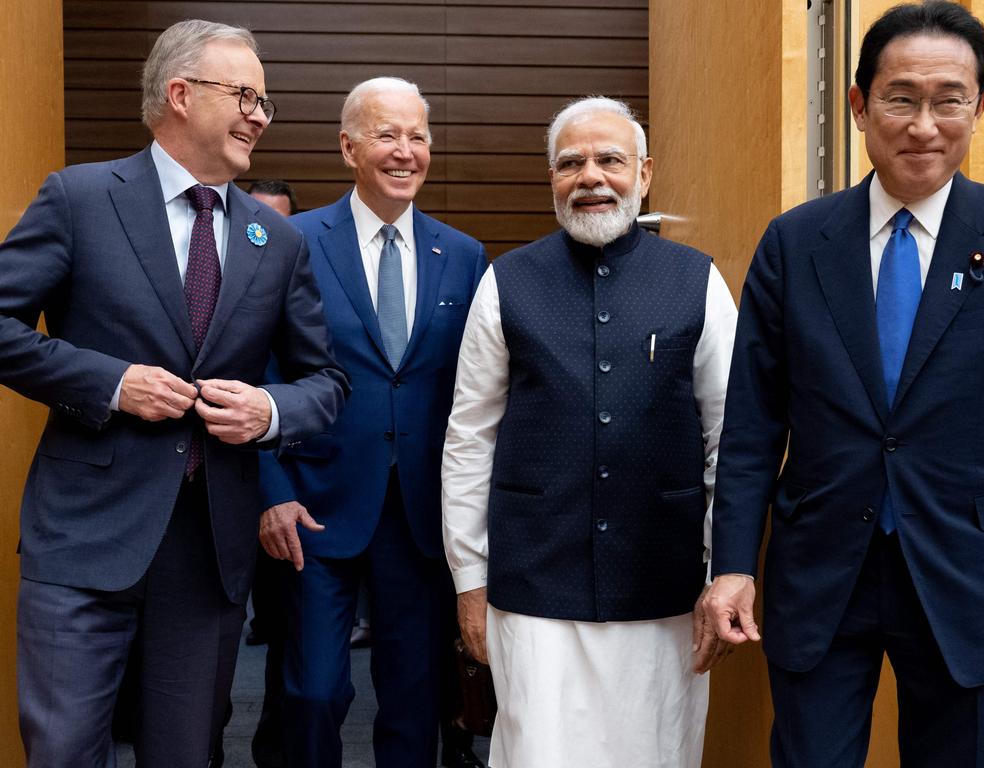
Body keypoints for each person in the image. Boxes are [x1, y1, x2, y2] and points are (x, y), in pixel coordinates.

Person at [0, 19, 348, 768]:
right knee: (62, 751)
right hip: (83, 540)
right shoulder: (80, 197)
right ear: (181, 94)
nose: (260, 113)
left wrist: (270, 412)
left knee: (186, 755)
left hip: (209, 551)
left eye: (266, 100)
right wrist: (111, 382)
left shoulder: (277, 240)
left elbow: (327, 381)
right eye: (245, 94)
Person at [701, 2, 984, 765]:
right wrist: (734, 567)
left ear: (979, 104)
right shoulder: (795, 241)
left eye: (949, 99)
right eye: (900, 97)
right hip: (821, 572)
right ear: (857, 104)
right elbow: (752, 427)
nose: (923, 125)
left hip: (967, 572)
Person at [441, 96, 738, 768]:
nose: (591, 176)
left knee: (655, 751)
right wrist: (470, 578)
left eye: (610, 159)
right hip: (534, 588)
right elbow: (469, 440)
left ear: (645, 172)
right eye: (570, 163)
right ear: (551, 178)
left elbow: (732, 438)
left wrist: (725, 571)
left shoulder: (697, 281)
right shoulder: (506, 282)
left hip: (663, 589)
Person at [258, 76, 488, 767]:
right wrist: (273, 494)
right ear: (348, 147)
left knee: (414, 699)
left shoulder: (465, 255)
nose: (405, 151)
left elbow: (474, 391)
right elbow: (261, 374)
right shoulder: (291, 241)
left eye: (418, 135)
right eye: (387, 134)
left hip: (420, 514)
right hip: (315, 507)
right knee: (314, 691)